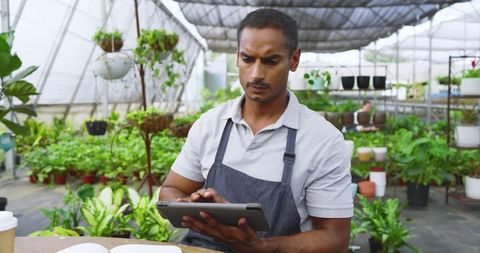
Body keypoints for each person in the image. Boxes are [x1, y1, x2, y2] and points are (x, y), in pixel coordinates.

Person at [159, 8, 352, 252]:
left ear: (294, 59)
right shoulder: (211, 124)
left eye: (271, 61)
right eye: (248, 59)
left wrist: (261, 246)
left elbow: (335, 239)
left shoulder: (322, 141)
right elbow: (169, 190)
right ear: (237, 56)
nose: (256, 74)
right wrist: (194, 207)